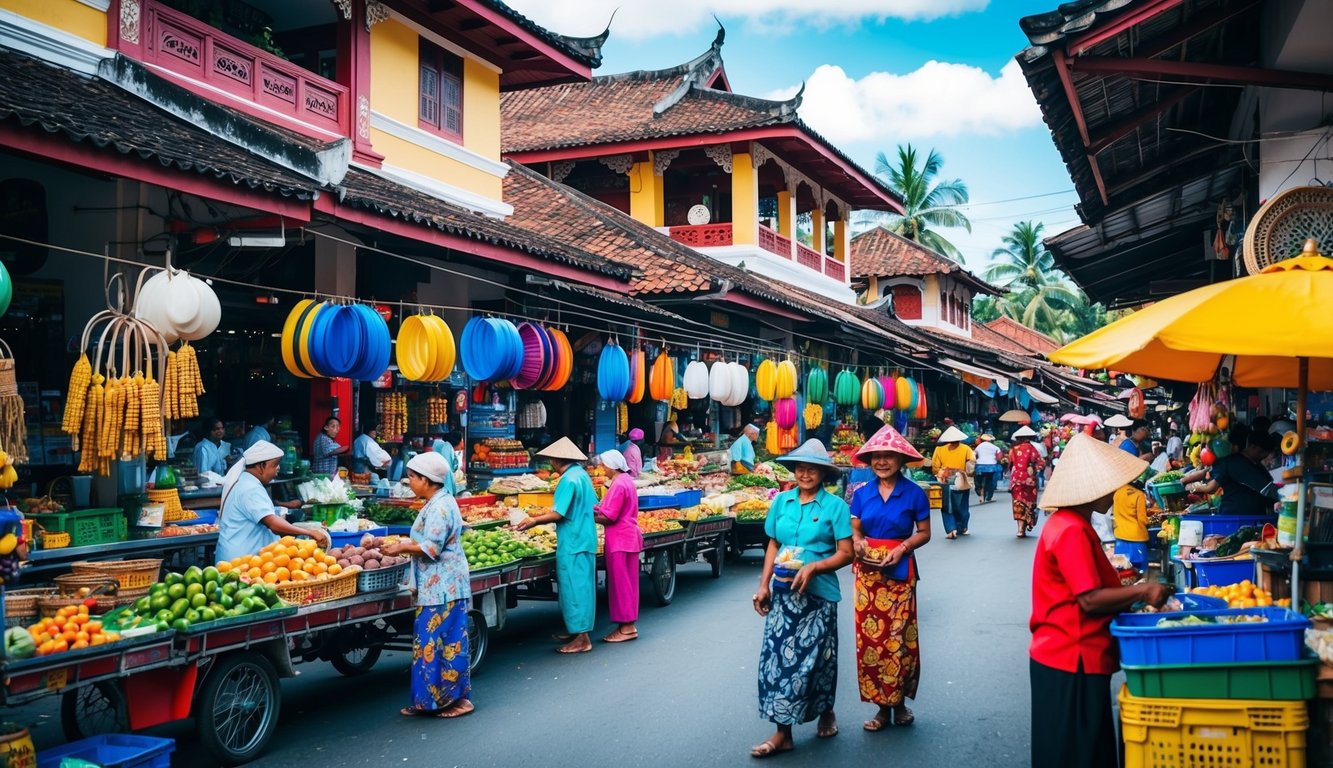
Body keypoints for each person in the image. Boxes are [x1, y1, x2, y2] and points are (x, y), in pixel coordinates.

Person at [1029, 433, 1171, 768]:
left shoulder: (1069, 523)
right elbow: (1089, 600)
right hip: (1072, 654)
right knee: (1077, 751)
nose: (1113, 492)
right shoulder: (1071, 530)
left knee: (1069, 747)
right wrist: (1143, 591)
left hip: (1066, 652)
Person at [750, 439, 852, 758]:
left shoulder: (835, 507)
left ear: (823, 473)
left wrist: (815, 567)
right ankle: (784, 733)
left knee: (818, 661)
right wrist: (763, 584)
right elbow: (772, 544)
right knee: (778, 661)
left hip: (819, 596)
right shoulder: (781, 502)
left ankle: (825, 712)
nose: (805, 474)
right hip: (783, 596)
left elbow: (846, 553)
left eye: (812, 469)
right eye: (800, 468)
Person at [849, 425, 930, 733]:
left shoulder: (914, 494)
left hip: (899, 574)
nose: (882, 462)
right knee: (871, 640)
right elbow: (856, 528)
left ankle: (899, 702)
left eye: (888, 456)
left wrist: (903, 548)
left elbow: (924, 533)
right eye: (877, 457)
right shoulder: (861, 494)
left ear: (900, 460)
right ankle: (882, 707)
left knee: (898, 640)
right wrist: (857, 542)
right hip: (867, 577)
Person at [382, 452, 473, 719]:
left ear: (427, 480)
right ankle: (427, 701)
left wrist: (401, 547)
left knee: (445, 644)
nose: (409, 482)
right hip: (437, 586)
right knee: (429, 644)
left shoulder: (441, 507)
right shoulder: (437, 501)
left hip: (443, 587)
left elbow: (431, 548)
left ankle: (459, 701)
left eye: (412, 477)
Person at [516, 437, 597, 654]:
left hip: (573, 540)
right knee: (582, 587)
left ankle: (582, 638)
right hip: (586, 537)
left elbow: (558, 513)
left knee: (573, 588)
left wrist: (534, 520)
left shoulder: (568, 480)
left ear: (556, 459)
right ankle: (577, 630)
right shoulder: (582, 475)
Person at [216, 440, 329, 563]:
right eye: (275, 465)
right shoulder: (251, 489)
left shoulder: (245, 481)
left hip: (237, 558)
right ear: (261, 466)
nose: (278, 469)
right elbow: (274, 524)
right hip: (239, 562)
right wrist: (310, 533)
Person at [593, 449, 642, 643]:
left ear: (611, 466)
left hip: (620, 539)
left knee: (620, 584)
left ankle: (626, 627)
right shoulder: (627, 481)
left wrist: (588, 516)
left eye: (604, 465)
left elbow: (609, 516)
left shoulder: (618, 484)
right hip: (629, 537)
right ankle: (628, 625)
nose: (602, 469)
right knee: (629, 583)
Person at [1182, 426, 1280, 516]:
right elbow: (1209, 483)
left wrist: (1187, 485)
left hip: (1239, 515)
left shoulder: (1235, 462)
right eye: (1262, 452)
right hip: (1238, 517)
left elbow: (1207, 479)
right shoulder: (1239, 463)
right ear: (1253, 447)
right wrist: (1187, 485)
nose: (1263, 456)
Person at [930, 426, 974, 539]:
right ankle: (962, 527)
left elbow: (935, 467)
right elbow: (971, 465)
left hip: (944, 479)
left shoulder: (939, 450)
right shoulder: (966, 449)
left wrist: (942, 473)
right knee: (962, 506)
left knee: (946, 505)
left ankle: (951, 529)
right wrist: (968, 474)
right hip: (961, 480)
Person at [1008, 426, 1045, 538]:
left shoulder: (1014, 450)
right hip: (1030, 481)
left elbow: (1010, 465)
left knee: (1018, 503)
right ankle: (1023, 528)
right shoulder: (1034, 449)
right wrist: (1032, 469)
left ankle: (1020, 529)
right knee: (1028, 504)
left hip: (1017, 480)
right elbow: (1041, 464)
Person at [1111, 480, 1151, 571]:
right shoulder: (1139, 494)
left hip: (1120, 536)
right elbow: (1142, 519)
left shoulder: (1117, 493)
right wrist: (1148, 523)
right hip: (1137, 538)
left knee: (1122, 570)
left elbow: (1114, 514)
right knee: (1141, 571)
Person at [972, 434, 1003, 504]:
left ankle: (979, 491)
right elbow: (999, 457)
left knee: (978, 480)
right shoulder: (995, 447)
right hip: (991, 466)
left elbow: (973, 456)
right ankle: (988, 496)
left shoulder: (978, 447)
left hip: (980, 466)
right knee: (990, 481)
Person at [432, 431, 464, 496]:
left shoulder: (444, 448)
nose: (462, 443)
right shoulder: (447, 450)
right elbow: (447, 473)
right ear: (458, 441)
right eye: (462, 440)